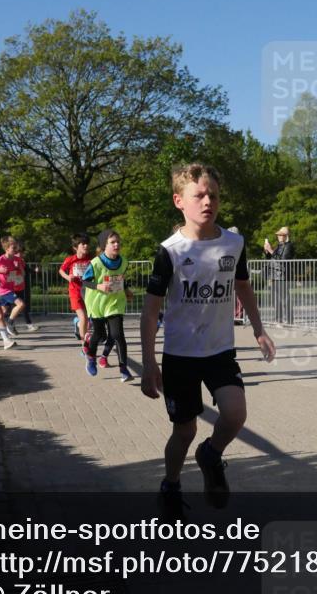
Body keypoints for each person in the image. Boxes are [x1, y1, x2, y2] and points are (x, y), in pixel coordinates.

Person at [140, 163, 275, 512]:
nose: (207, 202)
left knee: (235, 413)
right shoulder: (169, 250)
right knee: (184, 431)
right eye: (198, 195)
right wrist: (149, 363)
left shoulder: (234, 243)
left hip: (219, 350)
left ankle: (211, 454)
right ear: (179, 201)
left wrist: (259, 329)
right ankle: (171, 486)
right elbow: (151, 311)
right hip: (180, 356)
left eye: (213, 195)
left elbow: (243, 287)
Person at [81, 229, 135, 381]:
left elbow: (121, 279)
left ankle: (124, 369)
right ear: (104, 245)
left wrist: (127, 290)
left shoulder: (123, 262)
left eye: (118, 242)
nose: (116, 244)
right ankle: (91, 358)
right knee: (99, 335)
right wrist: (99, 286)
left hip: (115, 302)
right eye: (112, 242)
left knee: (118, 335)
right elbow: (85, 282)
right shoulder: (96, 263)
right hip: (97, 303)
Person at [60, 233, 92, 348]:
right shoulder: (70, 259)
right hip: (75, 292)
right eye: (82, 244)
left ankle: (77, 324)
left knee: (87, 320)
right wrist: (68, 277)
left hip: (88, 292)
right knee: (84, 318)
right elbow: (61, 270)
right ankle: (84, 344)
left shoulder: (91, 260)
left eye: (87, 243)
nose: (86, 246)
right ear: (75, 247)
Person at [0, 236, 27, 338]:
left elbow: (23, 274)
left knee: (2, 312)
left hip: (11, 287)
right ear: (7, 248)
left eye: (16, 247)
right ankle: (10, 323)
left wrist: (19, 267)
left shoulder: (17, 259)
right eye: (13, 248)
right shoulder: (0, 260)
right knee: (21, 304)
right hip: (3, 289)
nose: (16, 249)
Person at [263, 226, 295, 325]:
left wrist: (270, 250)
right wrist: (267, 251)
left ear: (286, 236)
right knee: (276, 299)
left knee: (284, 299)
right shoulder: (279, 246)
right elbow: (272, 258)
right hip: (275, 275)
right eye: (278, 235)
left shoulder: (289, 246)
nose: (279, 236)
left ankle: (289, 320)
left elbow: (283, 260)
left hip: (283, 276)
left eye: (281, 235)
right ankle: (278, 319)